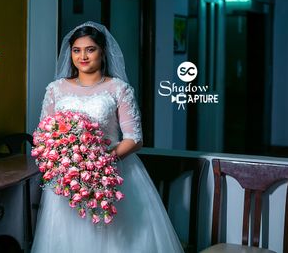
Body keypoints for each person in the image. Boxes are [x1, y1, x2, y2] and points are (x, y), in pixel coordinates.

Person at [31, 21, 184, 253]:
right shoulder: (55, 89)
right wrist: (72, 165)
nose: (83, 56)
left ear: (103, 52)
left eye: (90, 49)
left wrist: (98, 165)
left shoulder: (118, 89)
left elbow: (134, 138)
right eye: (77, 50)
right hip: (68, 179)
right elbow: (43, 135)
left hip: (113, 173)